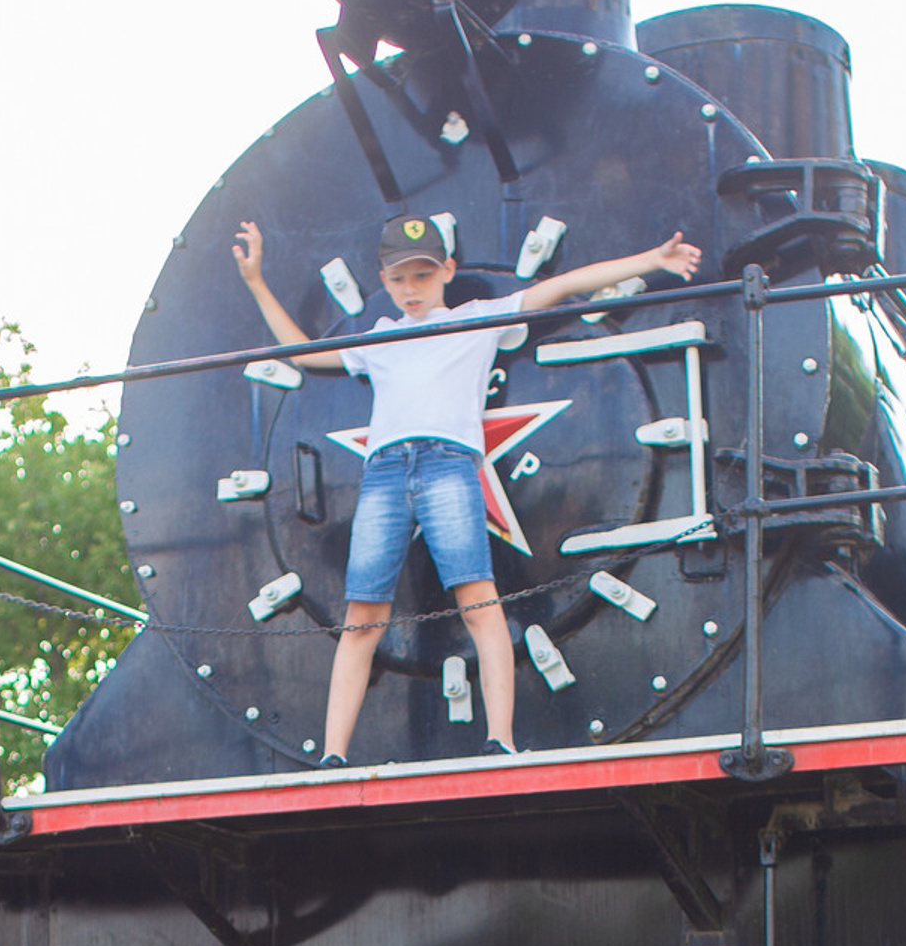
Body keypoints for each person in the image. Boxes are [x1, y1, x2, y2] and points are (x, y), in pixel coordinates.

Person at [234, 209, 701, 764]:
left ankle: (500, 738)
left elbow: (563, 285)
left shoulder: (481, 317)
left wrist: (652, 260)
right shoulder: (377, 340)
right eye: (400, 278)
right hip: (384, 472)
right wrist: (257, 282)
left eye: (422, 275)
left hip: (449, 466)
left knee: (480, 603)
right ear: (383, 280)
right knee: (362, 617)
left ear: (447, 270)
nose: (411, 289)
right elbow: (302, 352)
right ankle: (333, 755)